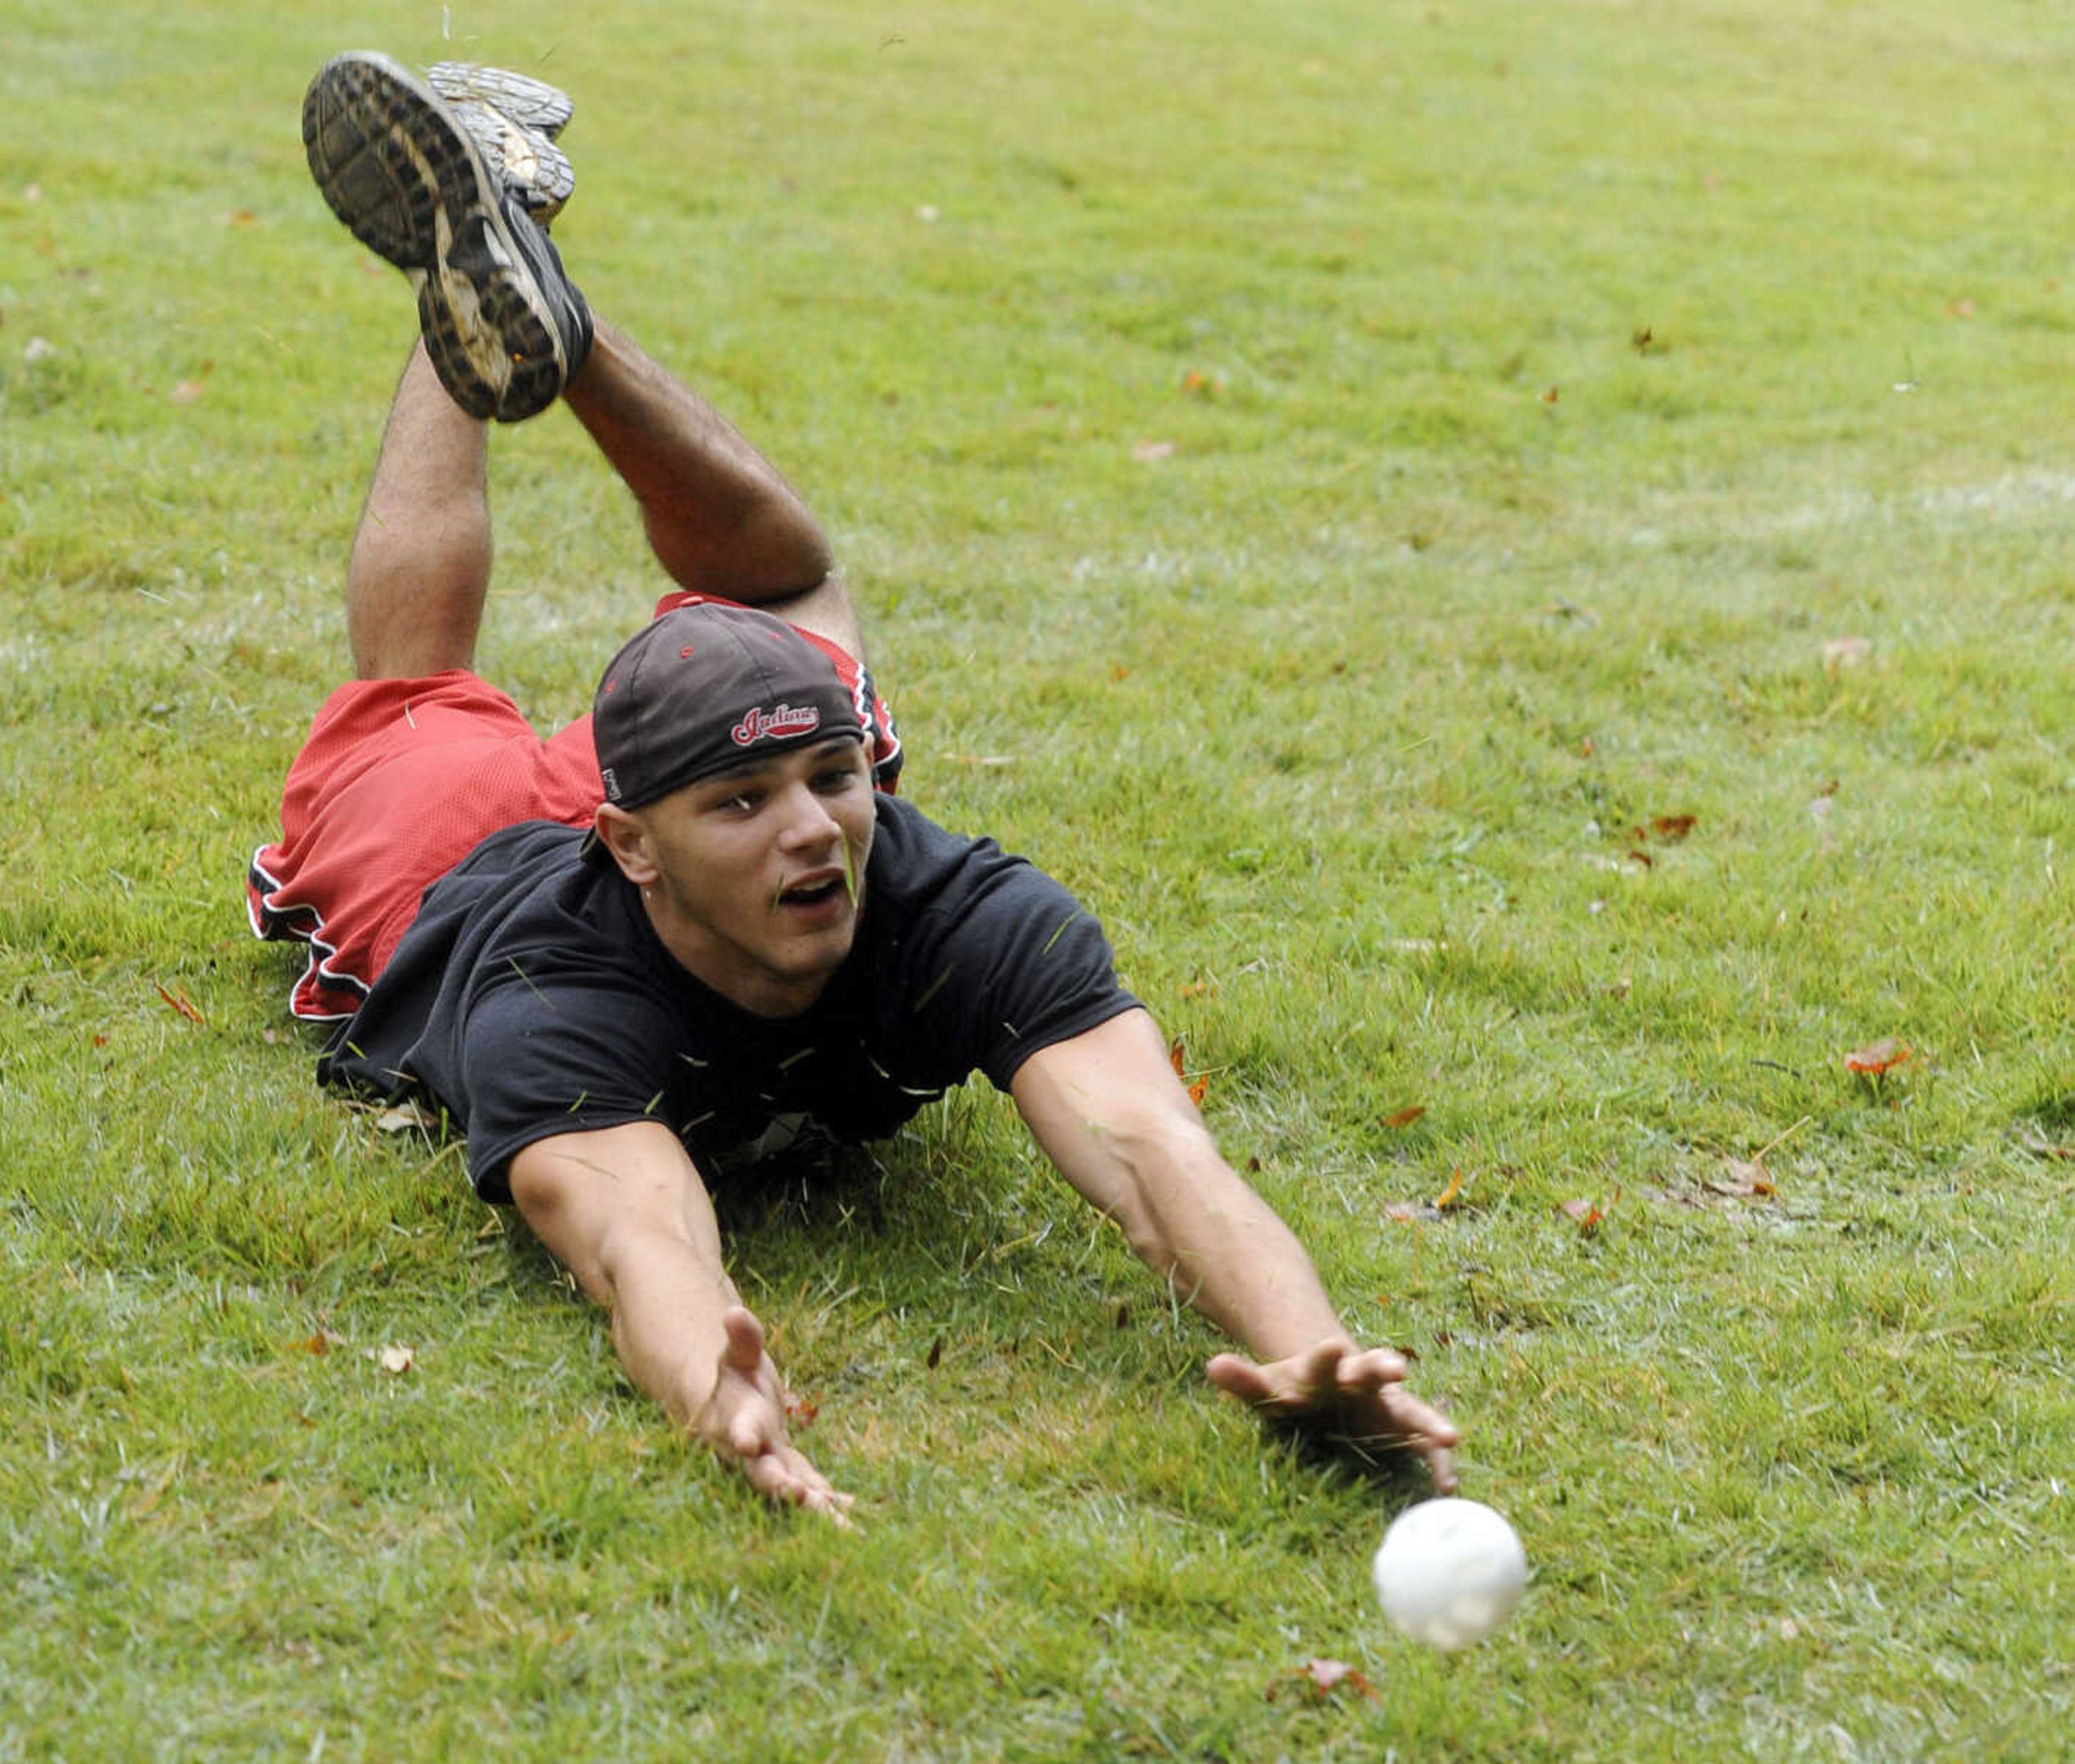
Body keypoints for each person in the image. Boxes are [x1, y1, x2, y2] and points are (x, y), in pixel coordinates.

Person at [253, 51, 1461, 1523]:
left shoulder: (946, 898)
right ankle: (482, 265)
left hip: (671, 793)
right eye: (756, 804)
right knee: (412, 687)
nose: (819, 826)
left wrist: (1308, 1345)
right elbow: (638, 1230)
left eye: (835, 779)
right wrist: (714, 1379)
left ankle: (542, 296)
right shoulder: (547, 997)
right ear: (631, 842)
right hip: (457, 858)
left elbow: (1151, 1149)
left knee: (794, 598)